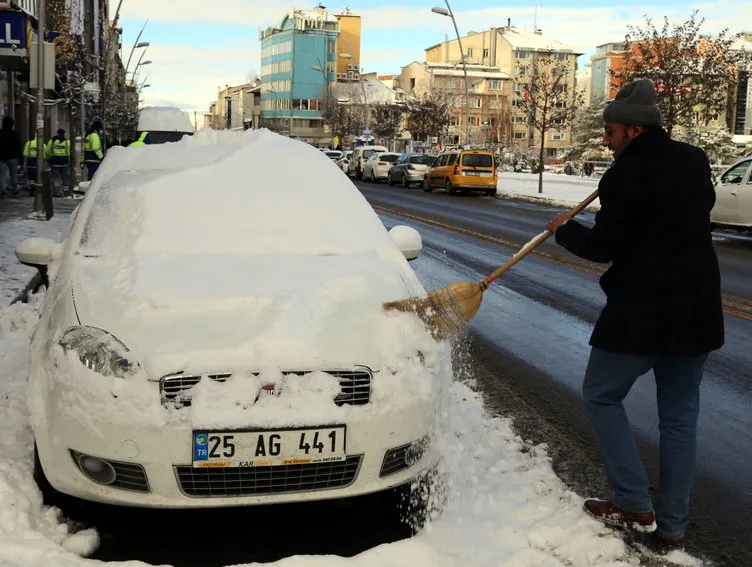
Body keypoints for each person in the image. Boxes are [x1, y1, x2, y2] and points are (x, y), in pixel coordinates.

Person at [546, 79, 724, 554]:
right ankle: (673, 528)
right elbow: (694, 212)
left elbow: (604, 246)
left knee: (601, 394)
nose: (606, 141)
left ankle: (631, 500)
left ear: (635, 129)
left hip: (642, 311)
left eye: (610, 131)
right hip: (697, 310)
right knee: (680, 420)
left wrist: (565, 231)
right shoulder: (694, 160)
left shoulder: (624, 175)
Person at [0, 116, 22, 198]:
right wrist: (20, 159)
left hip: (1, 157)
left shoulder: (0, 133)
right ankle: (15, 190)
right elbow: (18, 147)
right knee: (13, 175)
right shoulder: (15, 134)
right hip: (12, 157)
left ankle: (3, 191)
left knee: (2, 175)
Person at [46, 128, 71, 197]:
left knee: (56, 178)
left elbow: (47, 152)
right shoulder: (67, 142)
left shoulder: (52, 141)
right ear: (64, 134)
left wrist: (48, 159)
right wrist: (70, 161)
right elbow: (69, 153)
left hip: (55, 162)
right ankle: (66, 192)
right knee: (65, 177)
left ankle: (58, 192)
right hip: (64, 162)